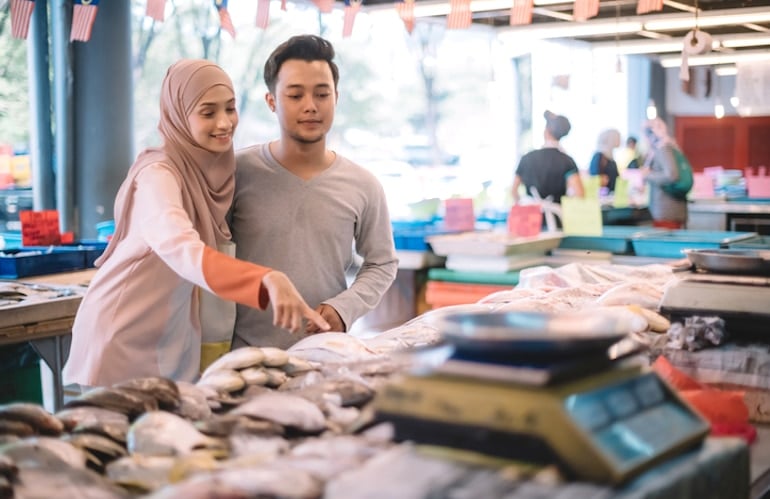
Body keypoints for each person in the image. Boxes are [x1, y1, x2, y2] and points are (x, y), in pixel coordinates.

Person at [63, 59, 329, 388]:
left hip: (170, 338)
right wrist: (266, 280)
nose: (224, 123)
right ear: (178, 114)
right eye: (207, 112)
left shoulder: (213, 172)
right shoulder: (157, 176)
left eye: (230, 108)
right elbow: (180, 247)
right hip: (121, 335)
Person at [229, 35, 399, 350]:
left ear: (336, 97)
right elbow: (207, 257)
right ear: (272, 101)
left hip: (326, 353)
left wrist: (344, 308)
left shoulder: (363, 184)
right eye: (295, 95)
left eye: (322, 94)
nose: (310, 106)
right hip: (243, 354)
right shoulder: (236, 174)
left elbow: (382, 263)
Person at [512, 110, 584, 205]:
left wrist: (522, 205)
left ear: (546, 131)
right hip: (557, 216)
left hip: (531, 217)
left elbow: (514, 190)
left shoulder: (527, 158)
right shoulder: (567, 161)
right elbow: (579, 194)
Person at [640, 117, 689, 228]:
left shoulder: (663, 148)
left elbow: (672, 175)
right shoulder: (671, 146)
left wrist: (648, 175)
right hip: (674, 207)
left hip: (666, 209)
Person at [588, 128, 621, 193]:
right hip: (603, 196)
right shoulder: (599, 156)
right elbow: (594, 178)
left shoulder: (610, 158)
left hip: (613, 195)